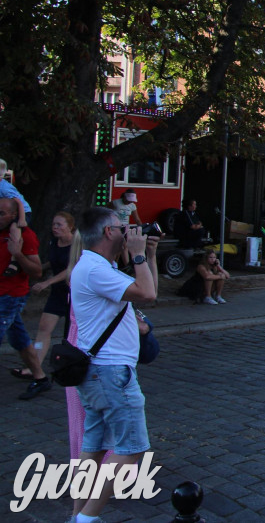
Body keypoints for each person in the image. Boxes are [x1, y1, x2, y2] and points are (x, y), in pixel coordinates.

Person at [69, 207, 158, 522]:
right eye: (123, 227)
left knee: (92, 450)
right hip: (110, 374)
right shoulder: (96, 269)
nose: (128, 230)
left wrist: (147, 254)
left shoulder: (96, 266)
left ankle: (78, 515)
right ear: (108, 232)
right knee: (132, 448)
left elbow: (149, 291)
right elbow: (146, 291)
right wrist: (136, 255)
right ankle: (87, 518)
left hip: (97, 373)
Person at [10, 212, 75, 381]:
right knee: (43, 328)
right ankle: (35, 366)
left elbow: (71, 268)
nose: (55, 228)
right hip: (58, 293)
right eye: (54, 224)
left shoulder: (77, 243)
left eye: (59, 225)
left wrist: (47, 283)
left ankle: (75, 364)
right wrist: (36, 268)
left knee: (73, 332)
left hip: (74, 293)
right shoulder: (54, 242)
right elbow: (52, 263)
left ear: (70, 227)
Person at [0, 198, 48, 399]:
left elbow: (37, 271)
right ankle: (40, 378)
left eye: (2, 213)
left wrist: (17, 254)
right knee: (19, 339)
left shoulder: (25, 236)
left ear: (13, 215)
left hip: (11, 296)